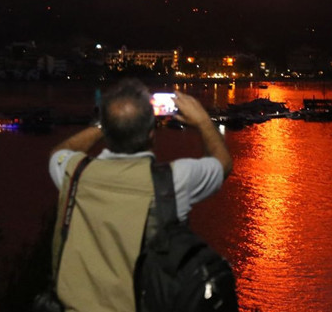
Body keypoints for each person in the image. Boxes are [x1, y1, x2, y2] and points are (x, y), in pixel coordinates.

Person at [48, 78, 232, 312]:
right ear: (151, 134)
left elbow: (60, 152)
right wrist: (204, 121)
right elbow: (222, 164)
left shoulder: (74, 173)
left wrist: (105, 125)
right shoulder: (174, 180)